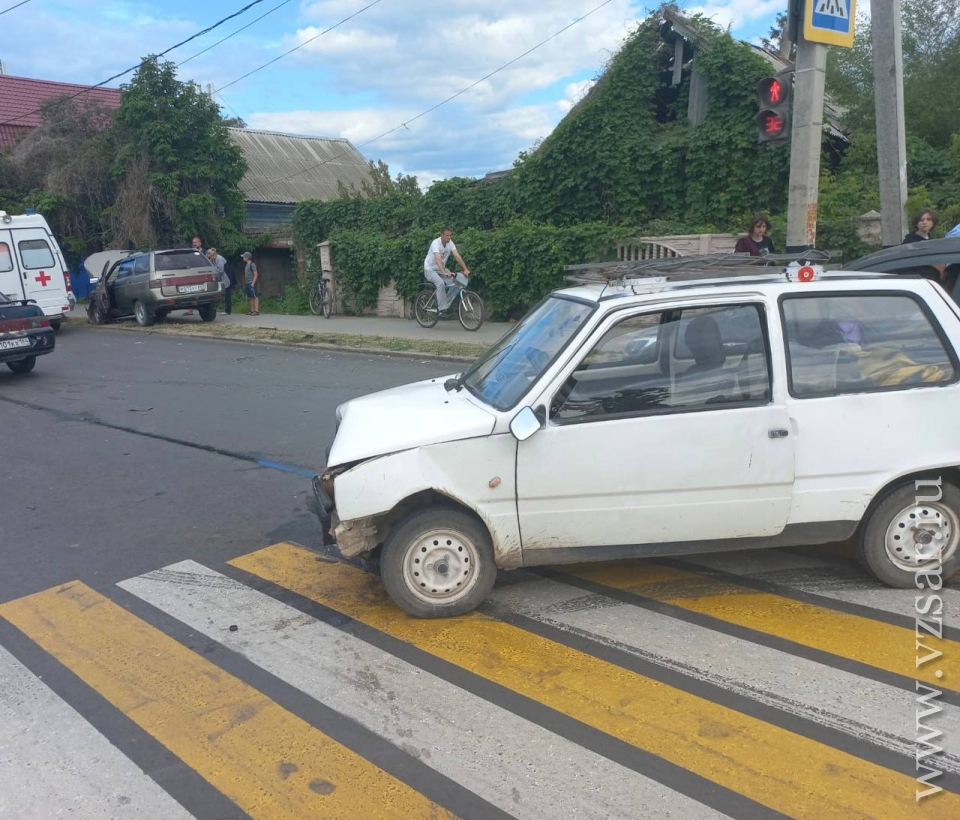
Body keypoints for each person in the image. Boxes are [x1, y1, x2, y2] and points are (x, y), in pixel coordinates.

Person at [423, 228, 470, 317]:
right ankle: (441, 309)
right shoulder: (435, 243)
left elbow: (457, 256)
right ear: (442, 235)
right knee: (440, 283)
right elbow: (438, 259)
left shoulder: (450, 243)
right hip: (430, 269)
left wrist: (465, 269)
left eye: (450, 235)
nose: (449, 237)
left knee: (456, 282)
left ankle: (445, 303)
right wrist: (444, 272)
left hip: (442, 269)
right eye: (447, 235)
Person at [206, 248, 231, 315]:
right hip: (221, 279)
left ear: (213, 254)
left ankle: (228, 310)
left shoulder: (219, 259)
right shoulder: (213, 260)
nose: (210, 258)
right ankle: (225, 309)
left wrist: (214, 269)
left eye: (210, 257)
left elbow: (221, 271)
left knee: (227, 295)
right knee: (224, 294)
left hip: (226, 278)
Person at [242, 251, 259, 316]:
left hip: (251, 283)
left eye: (244, 257)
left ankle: (256, 310)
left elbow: (256, 274)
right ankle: (252, 310)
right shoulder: (247, 264)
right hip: (247, 283)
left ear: (247, 257)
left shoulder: (252, 264)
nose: (243, 258)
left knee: (255, 296)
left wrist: (253, 283)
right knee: (251, 297)